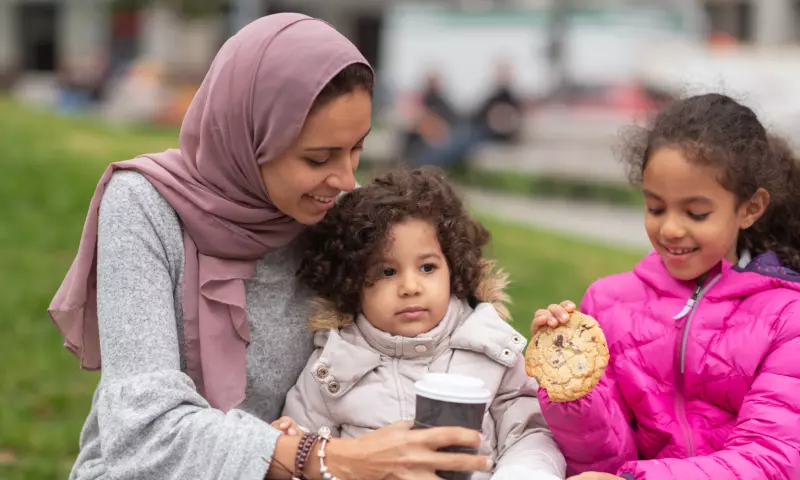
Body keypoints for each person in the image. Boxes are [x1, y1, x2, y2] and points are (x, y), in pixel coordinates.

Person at [48, 14, 491, 480]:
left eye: (357, 148)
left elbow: (430, 318)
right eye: (318, 158)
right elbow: (142, 431)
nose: (345, 180)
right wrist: (324, 458)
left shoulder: (339, 214)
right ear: (249, 135)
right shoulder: (145, 205)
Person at [532, 93, 800, 480]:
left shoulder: (787, 319)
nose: (670, 228)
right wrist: (570, 390)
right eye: (656, 208)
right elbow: (602, 458)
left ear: (750, 208)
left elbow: (772, 459)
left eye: (696, 213)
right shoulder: (607, 303)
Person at [275, 167, 567, 480]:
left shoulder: (490, 349)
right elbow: (310, 455)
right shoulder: (333, 367)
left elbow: (529, 434)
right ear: (352, 282)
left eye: (427, 267)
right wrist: (292, 442)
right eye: (387, 272)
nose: (410, 286)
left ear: (452, 268)